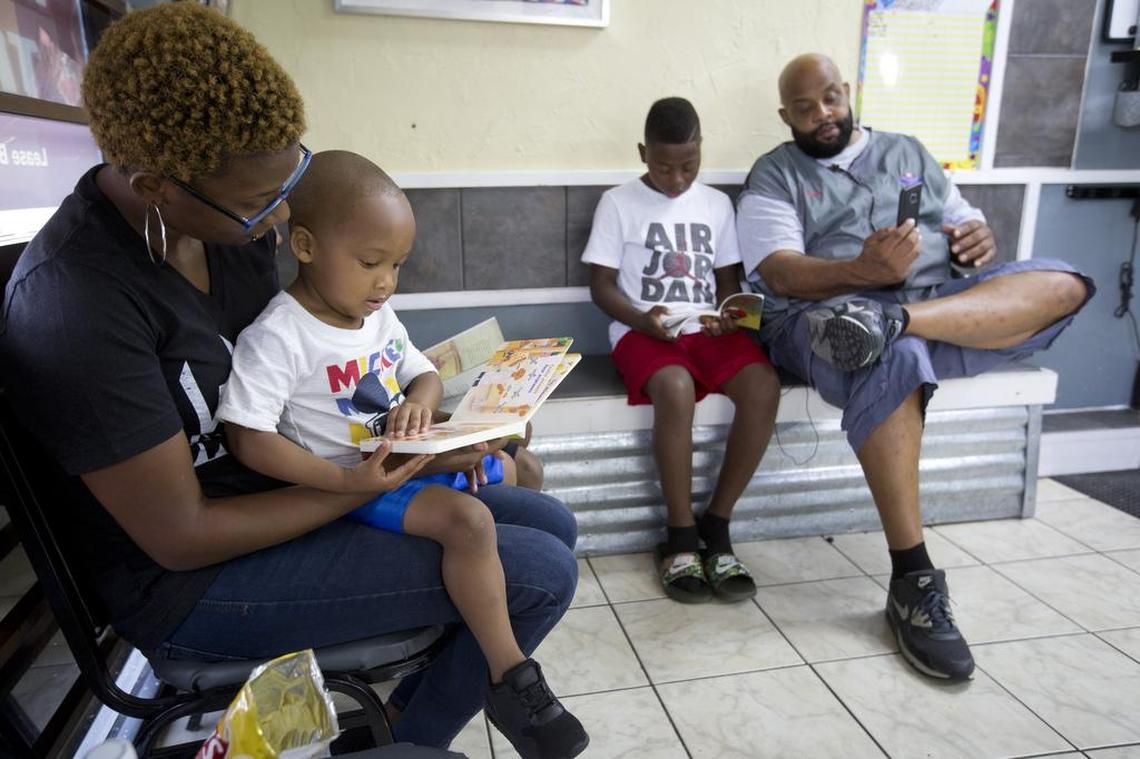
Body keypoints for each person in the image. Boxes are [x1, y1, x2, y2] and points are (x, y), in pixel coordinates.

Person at [0, 4, 580, 752]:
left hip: (289, 489)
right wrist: (356, 485)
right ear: (154, 187)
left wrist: (428, 436)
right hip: (192, 581)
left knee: (550, 522)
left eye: (289, 182)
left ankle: (400, 719)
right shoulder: (75, 303)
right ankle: (402, 736)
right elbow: (181, 537)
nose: (278, 221)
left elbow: (312, 377)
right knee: (535, 569)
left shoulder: (223, 232)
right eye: (255, 205)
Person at [217, 150, 587, 759]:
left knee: (524, 464)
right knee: (468, 521)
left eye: (396, 265)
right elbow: (248, 436)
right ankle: (509, 675)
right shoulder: (280, 335)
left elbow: (423, 375)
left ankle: (462, 630)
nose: (386, 282)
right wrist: (342, 484)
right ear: (305, 245)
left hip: (406, 464)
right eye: (370, 263)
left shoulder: (376, 315)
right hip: (357, 487)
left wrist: (424, 404)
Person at [736, 53, 1094, 681]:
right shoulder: (774, 174)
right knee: (889, 352)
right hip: (826, 316)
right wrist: (864, 274)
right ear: (785, 115)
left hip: (932, 309)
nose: (821, 115)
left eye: (829, 98)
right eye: (803, 107)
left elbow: (965, 227)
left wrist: (974, 240)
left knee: (1065, 281)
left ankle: (899, 321)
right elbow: (781, 272)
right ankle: (913, 578)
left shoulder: (908, 151)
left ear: (847, 94)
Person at [582, 97, 781, 604]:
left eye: (688, 166)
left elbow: (730, 286)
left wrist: (728, 318)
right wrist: (642, 320)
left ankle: (718, 526)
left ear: (700, 153)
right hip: (641, 332)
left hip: (703, 330)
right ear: (642, 153)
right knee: (676, 387)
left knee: (762, 386)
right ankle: (680, 535)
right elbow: (602, 287)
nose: (676, 179)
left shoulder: (715, 205)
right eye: (664, 166)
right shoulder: (618, 203)